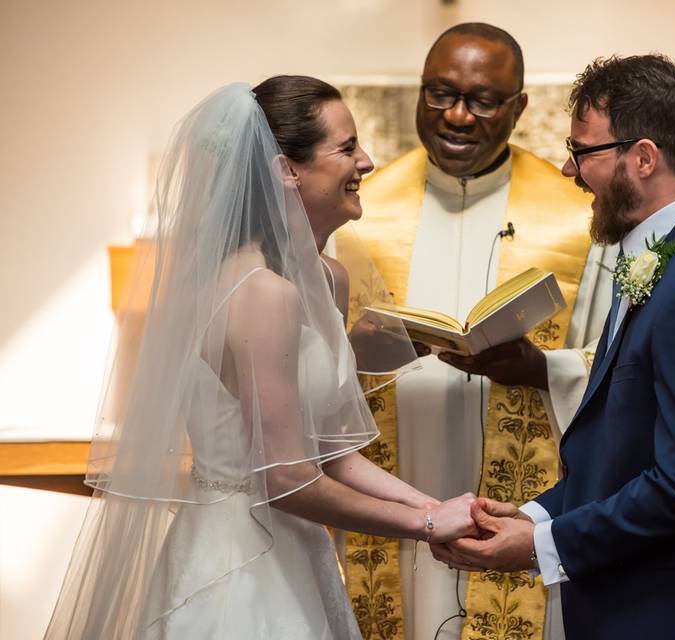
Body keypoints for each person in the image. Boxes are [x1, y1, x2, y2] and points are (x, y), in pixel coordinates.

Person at [44, 77, 478, 640]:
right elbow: (286, 480)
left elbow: (333, 457)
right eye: (347, 148)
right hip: (237, 567)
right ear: (286, 170)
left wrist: (445, 509)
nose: (366, 162)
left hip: (299, 552)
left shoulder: (326, 278)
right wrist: (425, 524)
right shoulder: (258, 292)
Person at [435, 54, 675, 639]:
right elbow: (626, 453)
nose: (568, 169)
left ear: (644, 158)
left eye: (582, 151)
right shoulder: (668, 259)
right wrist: (531, 515)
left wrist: (541, 544)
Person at [342, 23, 609, 640]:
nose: (457, 116)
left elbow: (615, 361)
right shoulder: (360, 213)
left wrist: (542, 367)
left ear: (518, 107)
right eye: (440, 93)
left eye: (483, 100)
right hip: (395, 491)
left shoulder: (577, 218)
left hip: (524, 500)